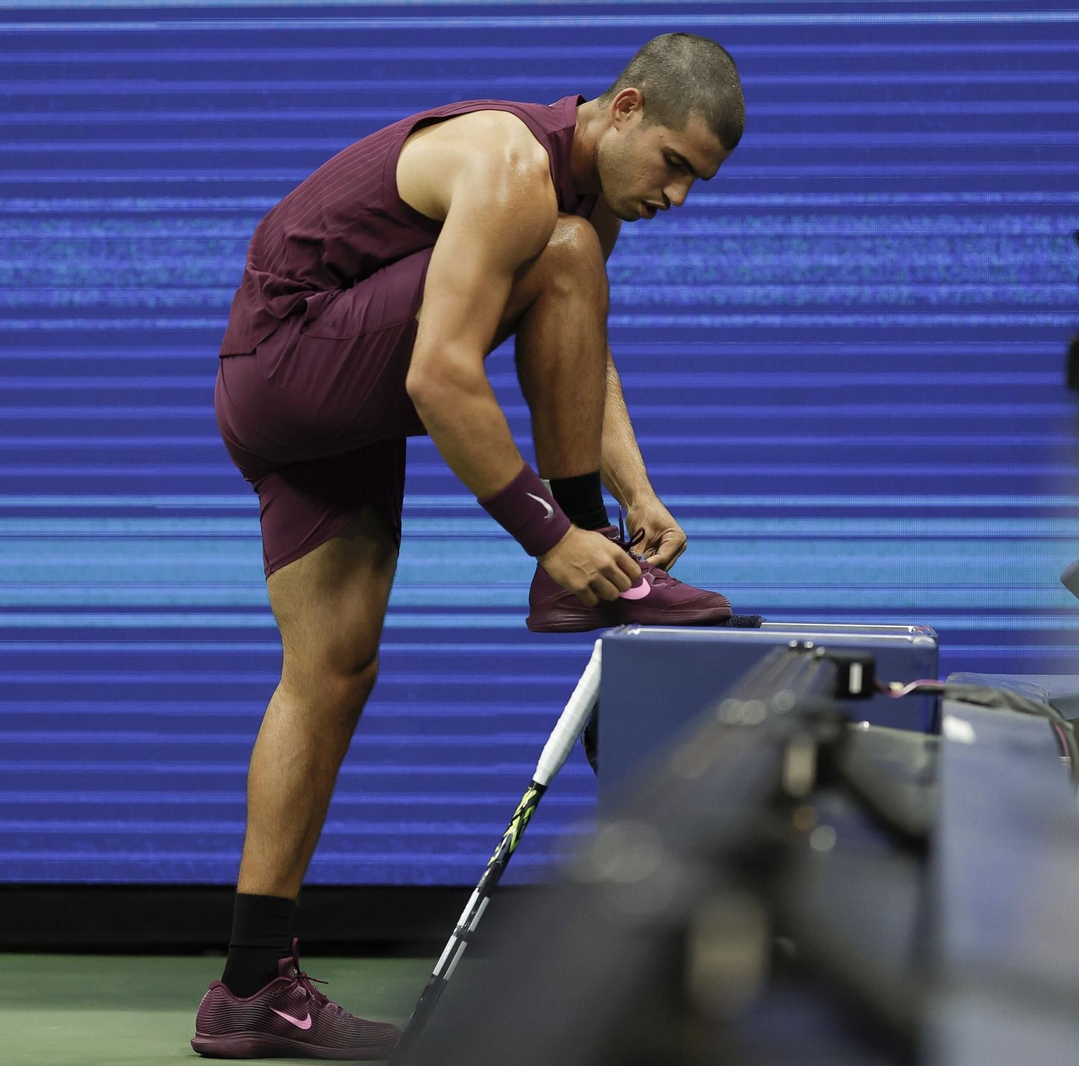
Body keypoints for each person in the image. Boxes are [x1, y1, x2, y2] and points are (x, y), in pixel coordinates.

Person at [193, 34, 746, 1059]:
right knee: (568, 259)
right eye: (673, 163)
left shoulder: (574, 214)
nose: (676, 196)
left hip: (304, 401)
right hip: (291, 360)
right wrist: (561, 539)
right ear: (622, 109)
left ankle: (248, 984)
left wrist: (636, 493)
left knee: (329, 672)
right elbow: (440, 377)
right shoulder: (512, 167)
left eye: (696, 183)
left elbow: (578, 348)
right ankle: (579, 584)